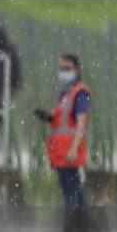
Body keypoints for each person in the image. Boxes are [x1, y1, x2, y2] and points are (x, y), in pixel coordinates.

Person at [34, 54, 89, 207]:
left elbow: (81, 122)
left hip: (70, 152)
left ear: (77, 70)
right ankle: (82, 226)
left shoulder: (80, 93)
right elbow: (61, 120)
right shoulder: (66, 93)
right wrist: (47, 117)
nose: (64, 72)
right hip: (61, 151)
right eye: (61, 68)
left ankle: (74, 228)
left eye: (67, 68)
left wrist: (73, 148)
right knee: (72, 192)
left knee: (72, 193)